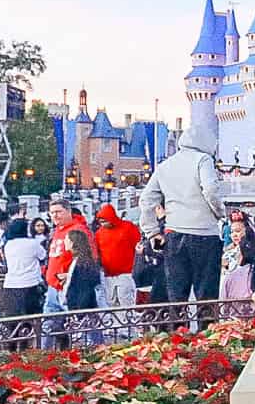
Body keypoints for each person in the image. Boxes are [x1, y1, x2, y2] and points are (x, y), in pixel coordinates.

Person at [139, 117, 229, 326]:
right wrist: (219, 212)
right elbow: (211, 190)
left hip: (174, 234)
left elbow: (146, 201)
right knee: (206, 295)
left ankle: (178, 341)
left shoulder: (165, 166)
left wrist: (152, 232)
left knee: (177, 296)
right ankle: (208, 340)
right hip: (204, 234)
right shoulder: (203, 160)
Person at [43, 198, 96, 315]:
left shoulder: (79, 230)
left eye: (58, 212)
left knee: (79, 324)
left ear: (68, 211)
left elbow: (90, 258)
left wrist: (71, 275)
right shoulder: (57, 230)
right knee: (50, 325)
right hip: (53, 286)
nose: (55, 215)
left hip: (69, 287)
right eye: (52, 213)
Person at [0, 218, 47, 329]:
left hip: (11, 285)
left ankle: (13, 343)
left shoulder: (8, 245)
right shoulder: (33, 243)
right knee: (32, 319)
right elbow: (43, 256)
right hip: (30, 284)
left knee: (13, 321)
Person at [92, 203, 143, 307]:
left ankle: (129, 322)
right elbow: (97, 252)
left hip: (127, 272)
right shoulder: (99, 233)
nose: (103, 224)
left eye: (105, 221)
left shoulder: (128, 227)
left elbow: (138, 245)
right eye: (101, 222)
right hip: (108, 274)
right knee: (111, 301)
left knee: (126, 300)